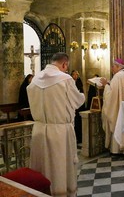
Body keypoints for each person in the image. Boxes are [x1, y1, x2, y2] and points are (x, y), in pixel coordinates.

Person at [27, 52, 85, 197]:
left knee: (42, 166)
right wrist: (83, 95)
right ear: (64, 64)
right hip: (59, 131)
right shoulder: (65, 79)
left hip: (39, 130)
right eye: (67, 67)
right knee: (58, 167)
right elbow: (78, 100)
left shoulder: (34, 80)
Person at [100, 58, 124, 154]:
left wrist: (105, 85)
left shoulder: (117, 77)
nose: (112, 68)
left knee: (117, 123)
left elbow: (111, 96)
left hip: (118, 109)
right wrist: (109, 84)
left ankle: (118, 149)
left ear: (117, 66)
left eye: (113, 66)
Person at [71, 70, 85, 144]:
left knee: (79, 123)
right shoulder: (70, 82)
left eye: (77, 74)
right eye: (74, 74)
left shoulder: (79, 82)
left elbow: (81, 92)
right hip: (73, 105)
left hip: (79, 106)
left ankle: (79, 138)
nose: (76, 76)